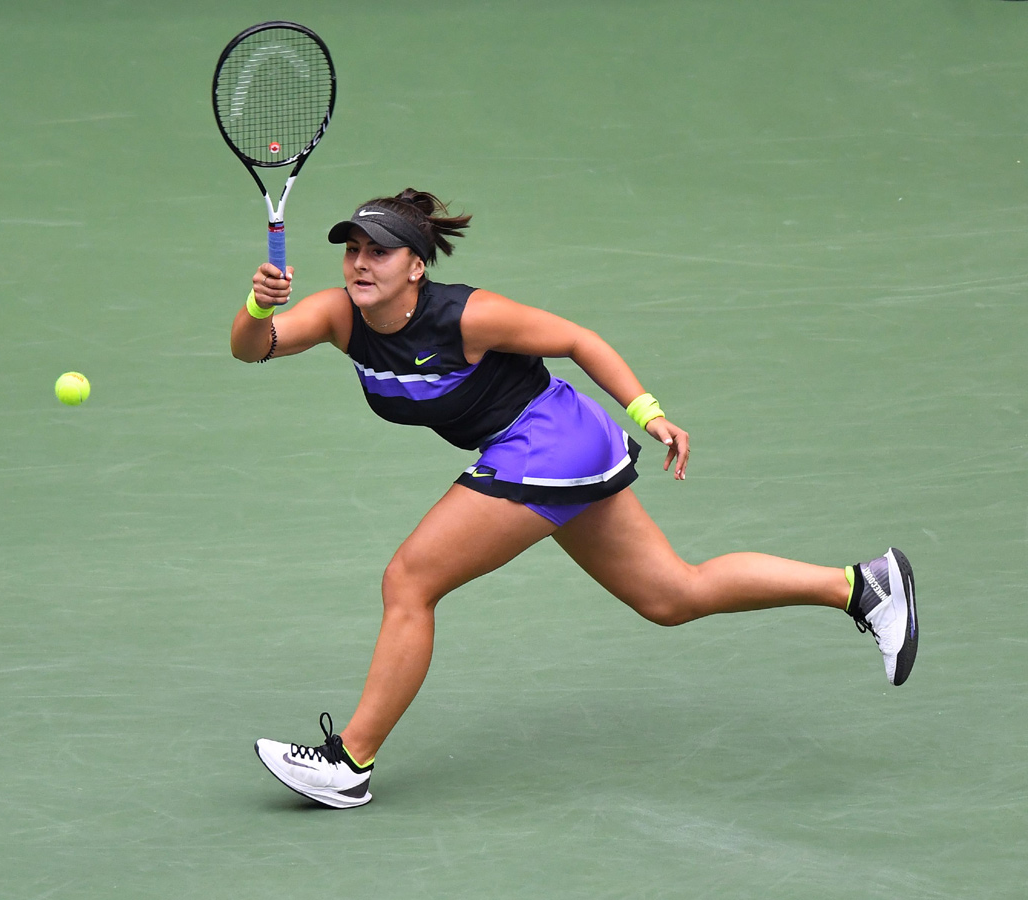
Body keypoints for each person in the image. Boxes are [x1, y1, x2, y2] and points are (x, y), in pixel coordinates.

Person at [231, 188, 918, 809]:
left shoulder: (467, 315)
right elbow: (251, 348)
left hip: (548, 441)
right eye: (352, 250)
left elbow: (576, 339)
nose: (359, 263)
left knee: (410, 580)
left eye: (378, 251)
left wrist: (648, 412)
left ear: (416, 266)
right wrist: (260, 304)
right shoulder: (336, 316)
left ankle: (350, 761)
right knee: (672, 596)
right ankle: (864, 587)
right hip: (551, 448)